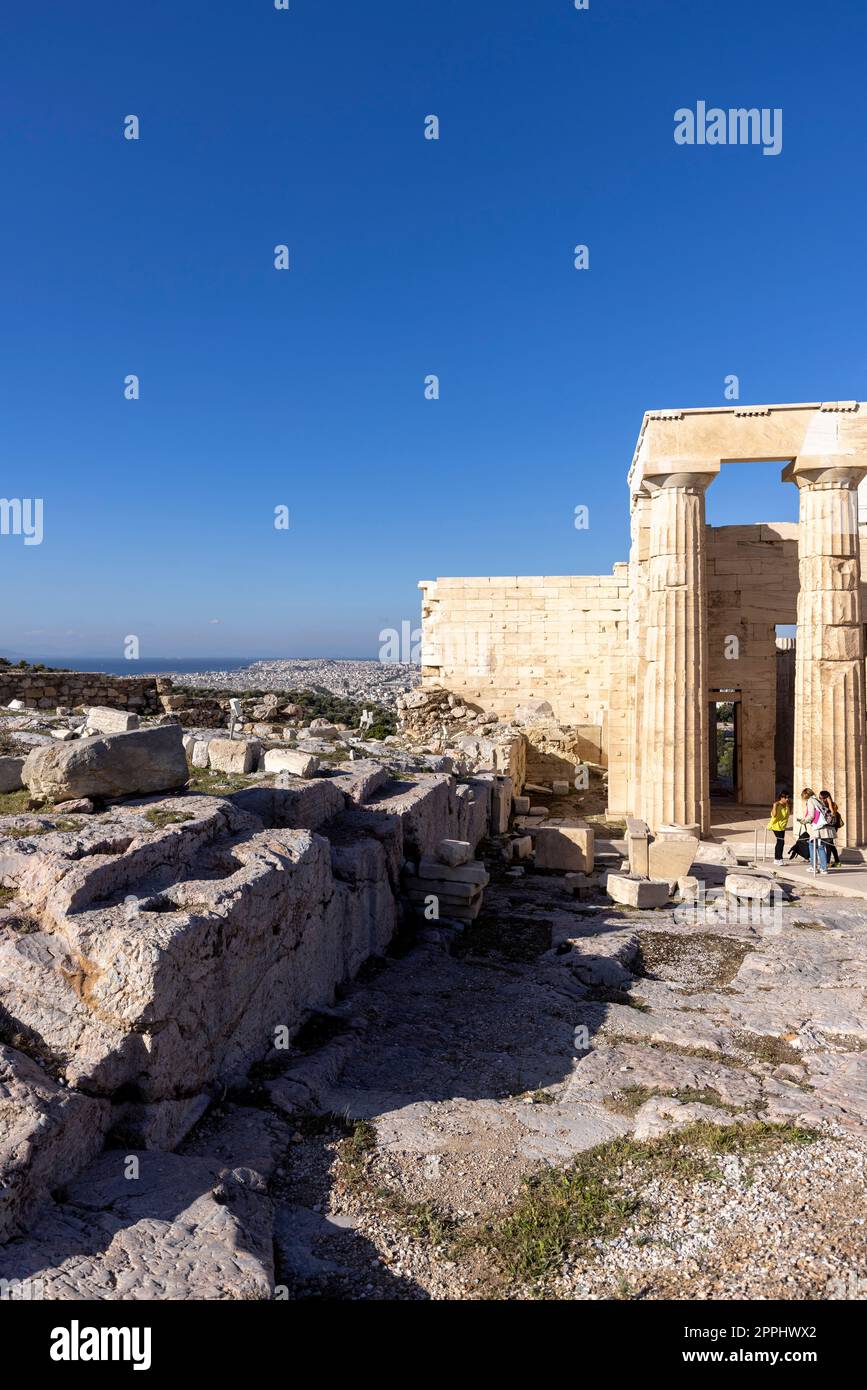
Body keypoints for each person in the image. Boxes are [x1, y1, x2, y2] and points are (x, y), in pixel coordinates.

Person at [800, 787, 829, 875]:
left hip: (817, 828)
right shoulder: (817, 800)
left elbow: (811, 815)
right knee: (820, 847)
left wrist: (804, 821)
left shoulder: (810, 801)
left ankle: (816, 867)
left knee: (813, 846)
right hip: (822, 827)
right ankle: (822, 867)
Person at [819, 790, 842, 868]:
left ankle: (827, 862)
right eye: (820, 798)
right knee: (831, 845)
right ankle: (837, 861)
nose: (821, 799)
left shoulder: (832, 805)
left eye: (822, 798)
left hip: (831, 827)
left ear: (827, 798)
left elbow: (833, 815)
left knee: (828, 845)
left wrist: (829, 804)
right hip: (827, 826)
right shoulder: (823, 805)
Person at [767, 792, 791, 861]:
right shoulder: (777, 805)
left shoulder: (786, 805)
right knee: (780, 842)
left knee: (781, 842)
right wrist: (774, 806)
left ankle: (778, 859)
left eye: (788, 797)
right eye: (785, 798)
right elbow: (773, 815)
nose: (787, 799)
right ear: (781, 798)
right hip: (776, 826)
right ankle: (778, 859)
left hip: (782, 827)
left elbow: (788, 815)